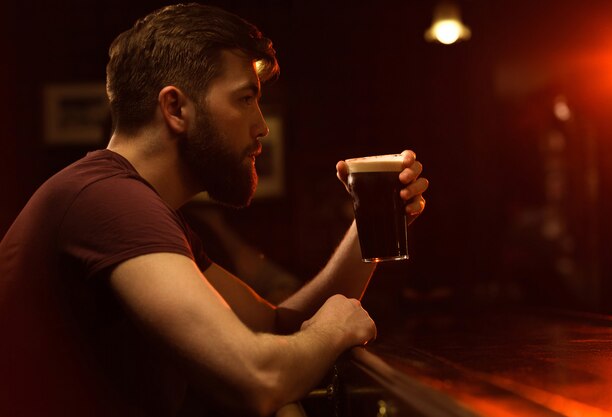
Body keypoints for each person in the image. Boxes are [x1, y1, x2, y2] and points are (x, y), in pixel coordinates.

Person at [0, 4, 429, 417]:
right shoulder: (108, 200)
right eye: (245, 99)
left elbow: (274, 327)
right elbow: (256, 379)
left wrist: (367, 224)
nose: (262, 126)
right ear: (176, 109)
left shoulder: (136, 207)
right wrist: (333, 331)